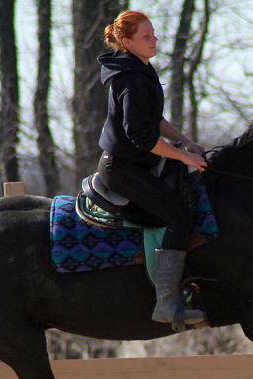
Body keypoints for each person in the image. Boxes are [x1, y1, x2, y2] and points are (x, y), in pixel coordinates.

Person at [98, 10, 208, 328]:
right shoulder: (131, 80)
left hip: (138, 162)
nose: (154, 40)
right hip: (121, 169)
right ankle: (167, 301)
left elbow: (155, 120)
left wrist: (186, 142)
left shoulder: (141, 69)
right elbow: (143, 137)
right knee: (178, 214)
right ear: (127, 43)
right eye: (146, 36)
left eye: (153, 33)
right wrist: (184, 157)